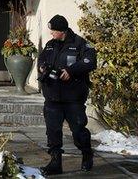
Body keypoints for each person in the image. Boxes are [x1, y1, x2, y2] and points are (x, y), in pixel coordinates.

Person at [37, 14, 97, 175]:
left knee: (78, 130)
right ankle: (55, 163)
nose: (51, 34)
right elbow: (41, 59)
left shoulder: (80, 44)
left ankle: (87, 154)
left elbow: (90, 61)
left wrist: (71, 71)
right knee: (53, 131)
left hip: (73, 97)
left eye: (54, 31)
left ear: (62, 31)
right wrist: (43, 67)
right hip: (52, 97)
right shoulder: (50, 45)